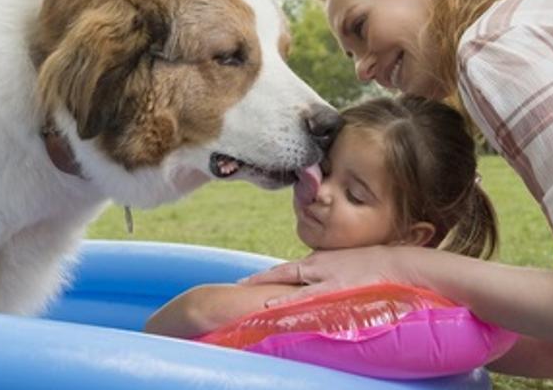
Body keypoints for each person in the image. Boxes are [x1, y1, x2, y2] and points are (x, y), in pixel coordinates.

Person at [241, 0, 553, 386]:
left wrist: (403, 265)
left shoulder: (499, 48)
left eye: (361, 27)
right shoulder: (552, 14)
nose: (362, 69)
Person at [145, 95, 498, 339]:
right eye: (324, 170)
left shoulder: (374, 299)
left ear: (411, 237)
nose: (324, 191)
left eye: (355, 195)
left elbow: (198, 310)